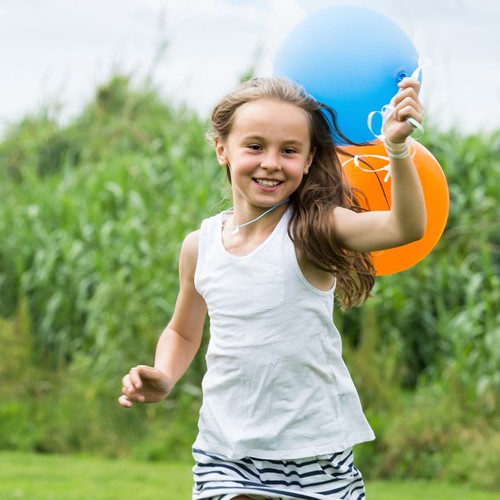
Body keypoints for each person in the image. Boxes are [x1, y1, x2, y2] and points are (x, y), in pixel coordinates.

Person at [119, 76, 426, 499]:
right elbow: (183, 330)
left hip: (315, 455)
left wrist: (395, 147)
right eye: (255, 146)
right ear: (221, 148)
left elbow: (404, 227)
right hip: (225, 451)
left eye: (289, 150)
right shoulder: (200, 245)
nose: (271, 162)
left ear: (308, 158)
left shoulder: (315, 229)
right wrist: (166, 375)